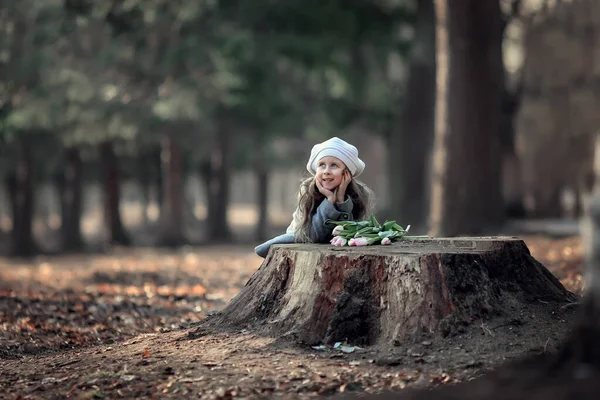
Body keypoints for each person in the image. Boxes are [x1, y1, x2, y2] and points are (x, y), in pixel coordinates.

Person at [254, 137, 374, 258]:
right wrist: (330, 202)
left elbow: (349, 232)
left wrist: (341, 200)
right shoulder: (308, 192)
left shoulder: (358, 194)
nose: (326, 171)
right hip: (302, 238)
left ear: (347, 173)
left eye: (334, 165)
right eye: (322, 165)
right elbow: (314, 236)